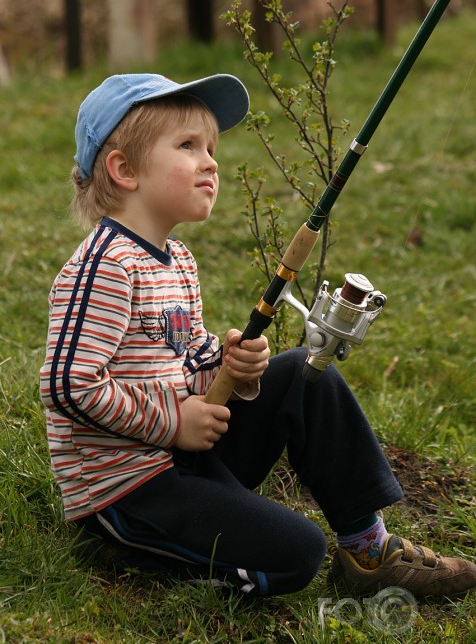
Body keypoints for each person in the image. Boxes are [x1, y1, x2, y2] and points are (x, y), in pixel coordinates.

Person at [40, 72, 476, 600]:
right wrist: (174, 421)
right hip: (127, 492)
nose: (211, 162)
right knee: (298, 552)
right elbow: (69, 385)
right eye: (188, 146)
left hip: (181, 458)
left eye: (211, 148)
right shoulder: (105, 266)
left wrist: (230, 368)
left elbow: (186, 359)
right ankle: (137, 554)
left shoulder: (176, 259)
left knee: (303, 374)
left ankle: (367, 548)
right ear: (124, 169)